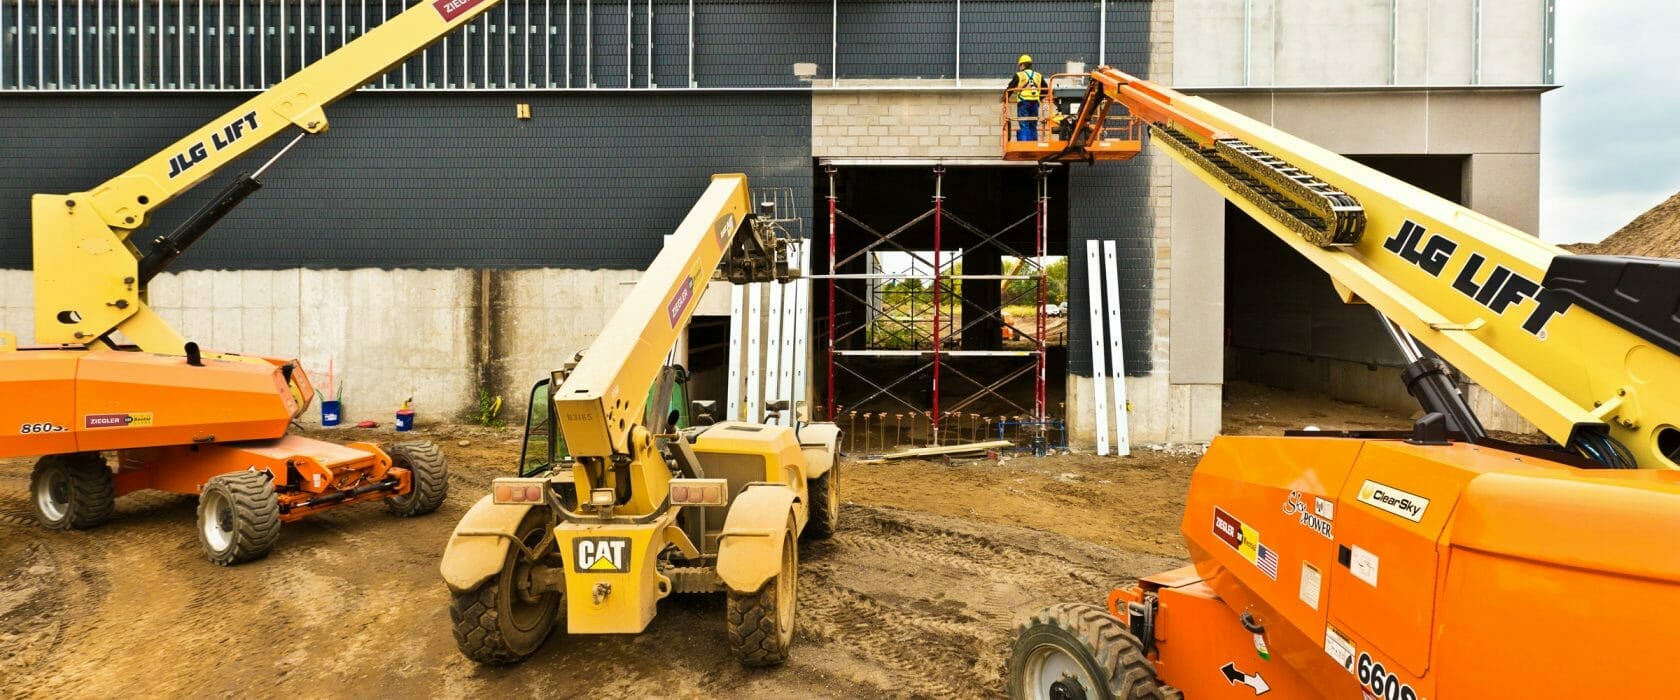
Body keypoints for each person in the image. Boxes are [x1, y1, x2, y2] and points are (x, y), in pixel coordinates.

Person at [1006, 54, 1046, 141]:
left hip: (1023, 102)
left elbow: (1010, 88)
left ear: (1022, 65)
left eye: (1020, 65)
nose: (1019, 67)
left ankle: (1025, 143)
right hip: (1035, 103)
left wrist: (1004, 99)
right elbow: (1046, 90)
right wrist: (1039, 99)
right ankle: (1034, 143)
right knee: (1033, 124)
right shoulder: (1038, 76)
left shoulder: (1019, 75)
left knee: (1024, 123)